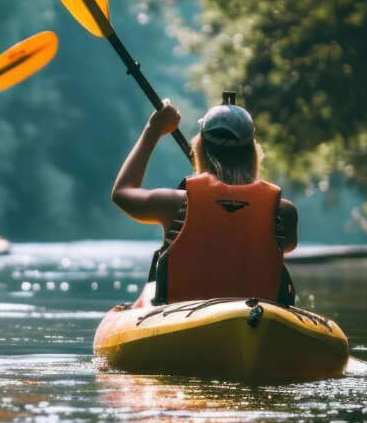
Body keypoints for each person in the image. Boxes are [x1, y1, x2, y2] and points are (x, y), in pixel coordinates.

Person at [110, 92, 298, 305]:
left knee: (148, 293)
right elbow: (281, 244)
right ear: (252, 152)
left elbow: (122, 193)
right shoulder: (283, 212)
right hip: (257, 318)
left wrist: (153, 129)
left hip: (181, 316)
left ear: (200, 149)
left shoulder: (175, 204)